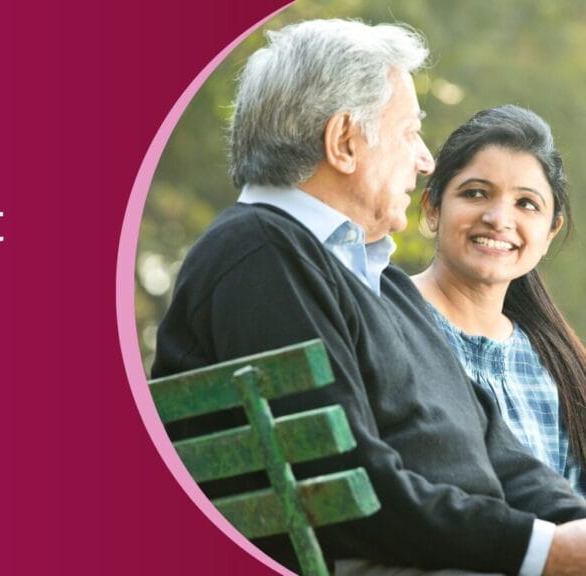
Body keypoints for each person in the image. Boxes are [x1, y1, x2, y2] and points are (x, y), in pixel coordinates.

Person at [151, 19, 586, 575]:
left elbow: (504, 456)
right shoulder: (259, 254)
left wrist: (572, 527)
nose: (425, 160)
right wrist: (543, 552)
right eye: (409, 133)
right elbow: (344, 487)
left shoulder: (376, 284)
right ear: (344, 142)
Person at [411, 105, 586, 497]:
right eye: (475, 193)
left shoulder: (560, 366)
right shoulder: (386, 319)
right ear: (433, 208)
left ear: (550, 231)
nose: (498, 218)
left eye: (526, 204)